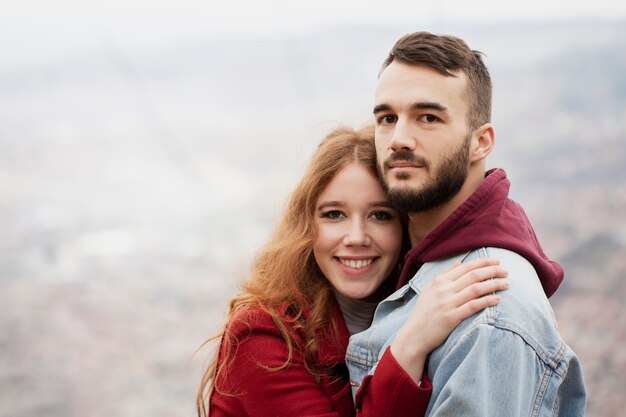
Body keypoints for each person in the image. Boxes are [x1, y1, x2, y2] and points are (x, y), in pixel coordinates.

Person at [346, 32, 587, 416]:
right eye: (387, 118)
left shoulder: (489, 318)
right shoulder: (408, 262)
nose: (398, 138)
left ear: (481, 142)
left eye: (428, 117)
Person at [196, 125, 510, 417]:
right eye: (334, 214)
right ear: (307, 226)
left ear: (404, 225)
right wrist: (410, 345)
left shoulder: (418, 303)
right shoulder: (263, 335)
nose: (357, 237)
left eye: (380, 215)